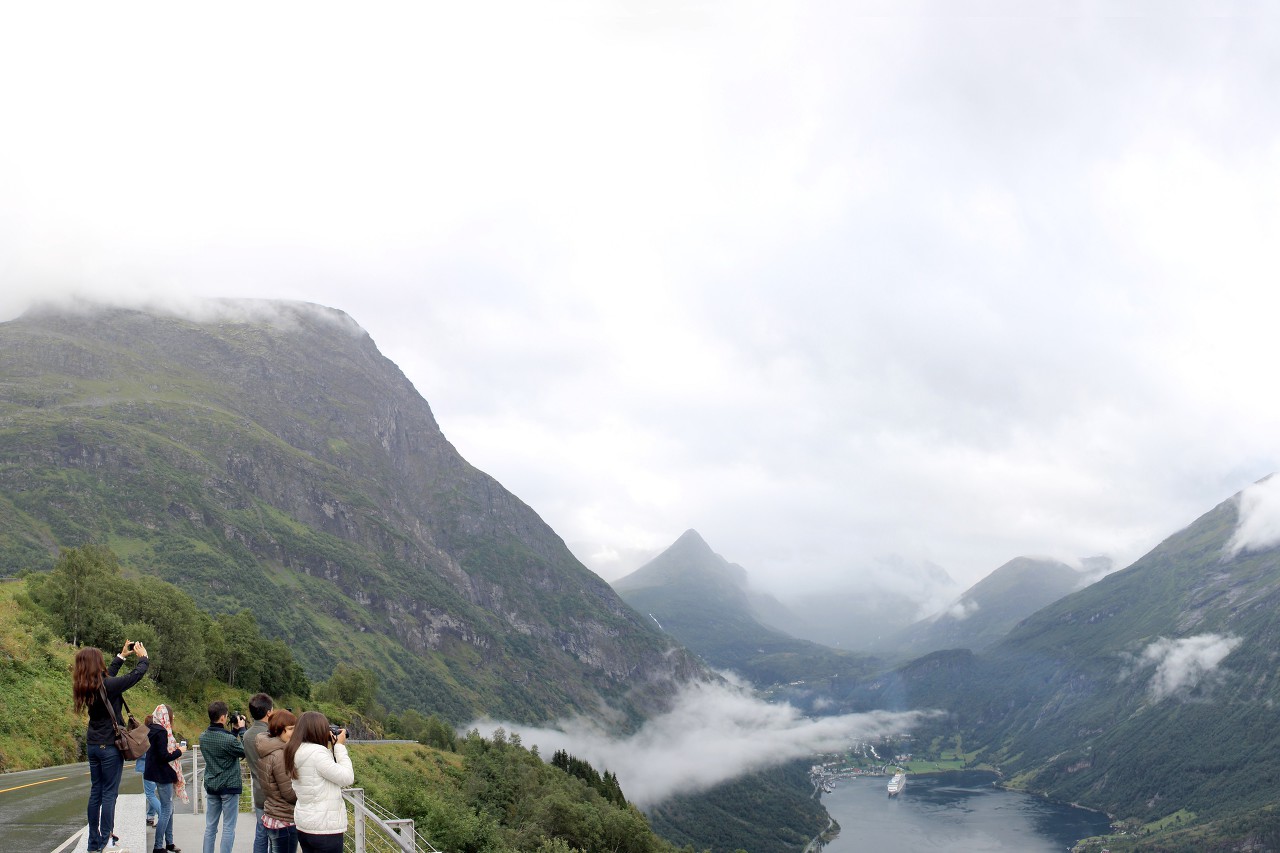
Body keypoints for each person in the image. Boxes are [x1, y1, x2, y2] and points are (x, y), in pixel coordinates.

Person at [73, 641, 150, 853]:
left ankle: (93, 842)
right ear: (97, 664)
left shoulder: (84, 685)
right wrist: (143, 659)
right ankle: (106, 840)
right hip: (109, 746)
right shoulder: (106, 685)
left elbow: (109, 679)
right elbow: (133, 677)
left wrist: (122, 656)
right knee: (109, 794)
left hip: (93, 745)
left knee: (95, 792)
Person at [284, 711, 354, 853]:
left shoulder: (294, 750)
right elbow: (347, 777)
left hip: (305, 826)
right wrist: (339, 747)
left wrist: (332, 747)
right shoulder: (318, 754)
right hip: (324, 829)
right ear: (318, 730)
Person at [200, 700, 248, 853]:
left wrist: (232, 731)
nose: (227, 719)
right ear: (222, 718)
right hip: (229, 787)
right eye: (227, 716)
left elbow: (226, 745)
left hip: (212, 786)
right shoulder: (228, 740)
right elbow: (246, 750)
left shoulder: (203, 737)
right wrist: (242, 730)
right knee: (228, 827)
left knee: (210, 827)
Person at [144, 704, 187, 853]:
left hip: (155, 773)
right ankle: (158, 846)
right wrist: (179, 752)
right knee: (166, 809)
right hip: (163, 774)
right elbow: (164, 756)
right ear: (166, 716)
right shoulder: (162, 731)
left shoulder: (151, 728)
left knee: (169, 809)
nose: (172, 718)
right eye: (171, 715)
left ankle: (169, 842)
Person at [257, 709, 298, 853]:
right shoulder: (280, 754)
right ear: (279, 729)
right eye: (291, 729)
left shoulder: (268, 749)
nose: (294, 733)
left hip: (273, 814)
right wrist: (307, 794)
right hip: (284, 818)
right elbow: (288, 792)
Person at [242, 693, 275, 853]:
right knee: (276, 838)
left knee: (261, 833)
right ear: (269, 712)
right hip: (275, 795)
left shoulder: (247, 735)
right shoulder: (272, 735)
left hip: (258, 791)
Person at [135, 752, 161, 827]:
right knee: (151, 793)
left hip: (148, 765)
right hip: (157, 765)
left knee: (149, 794)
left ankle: (163, 817)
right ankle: (150, 817)